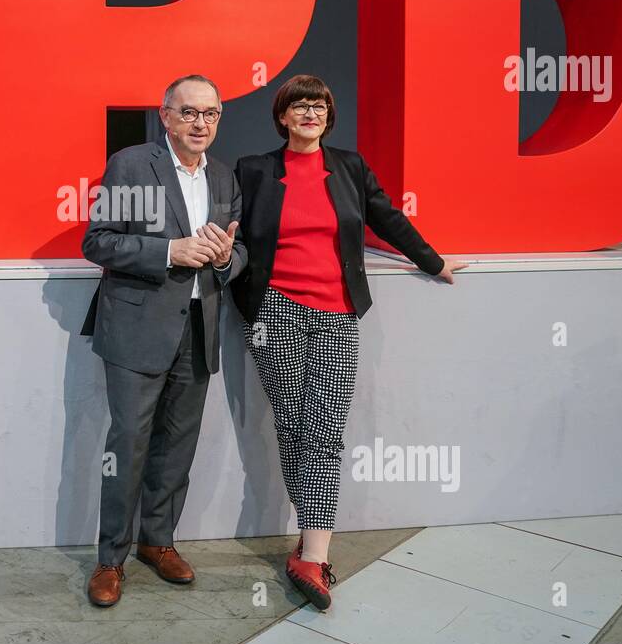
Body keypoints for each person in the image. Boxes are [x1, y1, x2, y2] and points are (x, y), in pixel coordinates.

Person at [230, 74, 464, 610]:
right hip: (274, 312)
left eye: (319, 106)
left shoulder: (350, 167)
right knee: (296, 425)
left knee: (325, 429)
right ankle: (309, 548)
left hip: (338, 315)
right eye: (299, 106)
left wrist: (434, 261)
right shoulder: (255, 170)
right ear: (282, 116)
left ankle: (313, 552)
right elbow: (235, 234)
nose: (310, 113)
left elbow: (387, 219)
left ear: (328, 117)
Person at [80, 74, 247, 607]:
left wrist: (225, 258)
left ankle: (159, 541)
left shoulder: (223, 177)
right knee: (127, 447)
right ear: (166, 116)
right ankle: (111, 559)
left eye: (211, 114)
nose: (201, 123)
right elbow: (97, 241)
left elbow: (239, 253)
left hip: (199, 329)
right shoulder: (133, 164)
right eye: (190, 112)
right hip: (137, 330)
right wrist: (167, 253)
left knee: (178, 445)